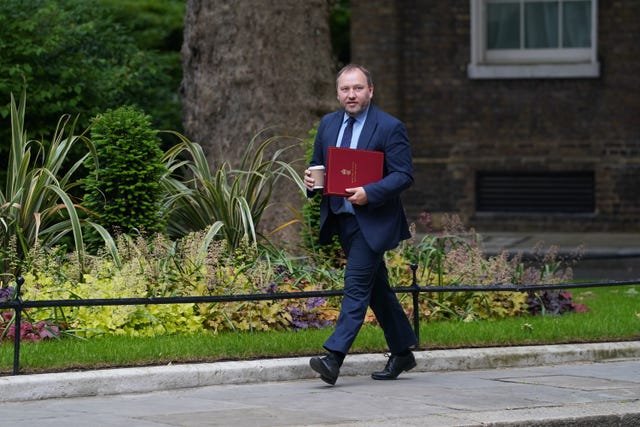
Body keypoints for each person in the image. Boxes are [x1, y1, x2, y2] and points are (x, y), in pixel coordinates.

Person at [303, 64, 418, 385]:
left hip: (375, 222)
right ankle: (402, 352)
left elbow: (403, 175)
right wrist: (311, 182)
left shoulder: (389, 127)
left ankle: (333, 358)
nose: (350, 95)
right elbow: (317, 166)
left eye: (357, 88)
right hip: (343, 220)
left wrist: (371, 192)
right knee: (376, 289)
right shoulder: (328, 124)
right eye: (345, 89)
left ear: (370, 91)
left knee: (355, 285)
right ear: (338, 93)